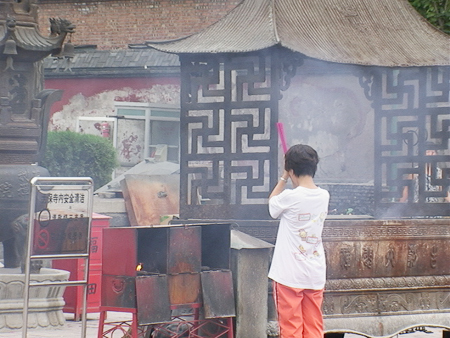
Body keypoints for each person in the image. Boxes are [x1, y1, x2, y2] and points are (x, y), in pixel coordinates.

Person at [268, 144, 330, 338]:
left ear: (292, 170)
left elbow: (272, 205)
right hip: (314, 272)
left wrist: (283, 177)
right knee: (313, 327)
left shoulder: (289, 197)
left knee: (290, 329)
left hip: (289, 274)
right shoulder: (324, 195)